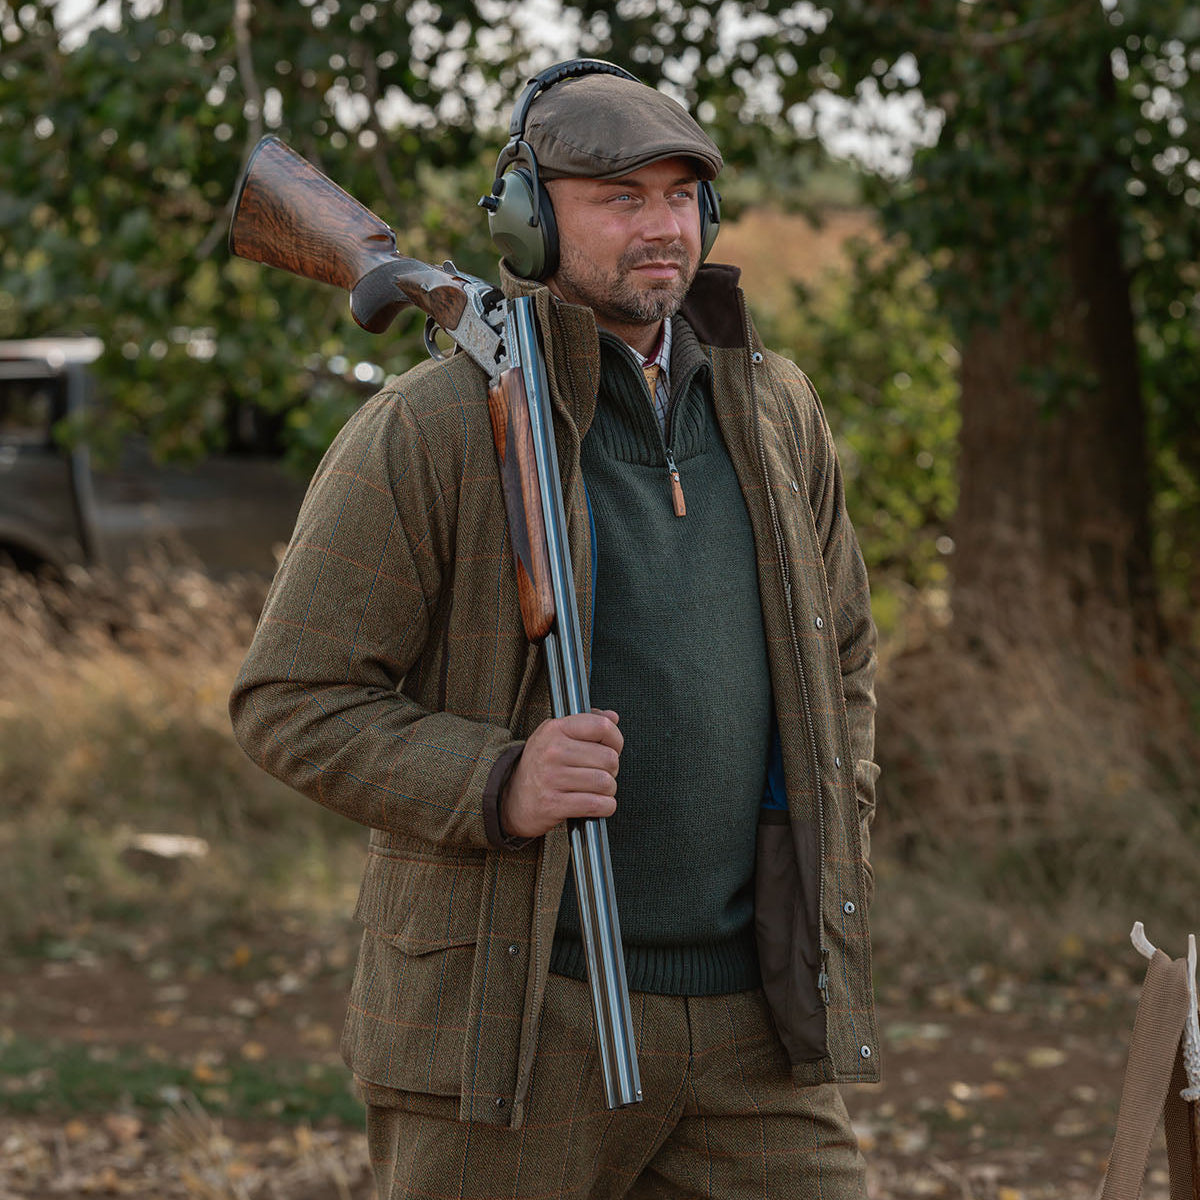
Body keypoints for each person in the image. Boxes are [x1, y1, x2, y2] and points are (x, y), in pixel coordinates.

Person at [230, 58, 880, 1200]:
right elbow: (290, 700)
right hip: (521, 1021)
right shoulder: (430, 429)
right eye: (618, 198)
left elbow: (847, 664)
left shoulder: (778, 409)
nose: (660, 227)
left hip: (758, 1034)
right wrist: (496, 779)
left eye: (679, 195)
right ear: (529, 220)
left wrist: (838, 818)